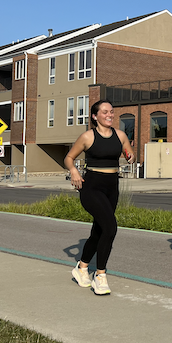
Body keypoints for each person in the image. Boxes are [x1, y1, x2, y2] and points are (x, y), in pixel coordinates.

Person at [64, 99, 134, 295]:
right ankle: (100, 275)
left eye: (111, 111)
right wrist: (74, 171)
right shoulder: (87, 136)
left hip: (112, 186)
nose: (110, 115)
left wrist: (130, 156)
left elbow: (131, 153)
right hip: (92, 186)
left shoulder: (120, 135)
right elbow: (69, 158)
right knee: (110, 227)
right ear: (95, 116)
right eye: (105, 112)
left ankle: (82, 267)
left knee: (99, 230)